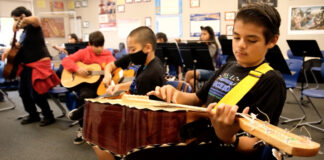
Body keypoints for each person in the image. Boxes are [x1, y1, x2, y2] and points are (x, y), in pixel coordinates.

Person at [144, 3, 286, 160]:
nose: (241, 45)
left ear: (272, 41)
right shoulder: (228, 67)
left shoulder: (271, 81)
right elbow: (196, 99)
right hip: (203, 140)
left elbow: (257, 144)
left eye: (251, 40)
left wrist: (229, 138)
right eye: (236, 37)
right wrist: (174, 95)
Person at [62, 31, 116, 144]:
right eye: (96, 46)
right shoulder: (83, 52)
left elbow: (114, 67)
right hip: (86, 85)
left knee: (106, 99)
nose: (99, 49)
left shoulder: (107, 55)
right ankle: (83, 129)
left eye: (101, 45)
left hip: (101, 85)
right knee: (85, 97)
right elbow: (66, 60)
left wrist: (108, 73)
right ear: (90, 44)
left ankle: (80, 115)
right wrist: (76, 68)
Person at [10, 6, 60, 126]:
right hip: (27, 65)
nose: (15, 22)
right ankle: (33, 114)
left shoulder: (34, 27)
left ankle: (48, 115)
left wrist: (22, 20)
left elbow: (36, 19)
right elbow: (15, 32)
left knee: (36, 93)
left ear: (23, 16)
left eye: (16, 19)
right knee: (23, 92)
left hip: (39, 64)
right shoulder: (24, 32)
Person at [103, 26, 165, 96]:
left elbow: (140, 103)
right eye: (128, 50)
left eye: (133, 49)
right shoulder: (151, 62)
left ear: (148, 48)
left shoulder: (148, 75)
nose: (130, 54)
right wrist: (118, 87)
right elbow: (136, 84)